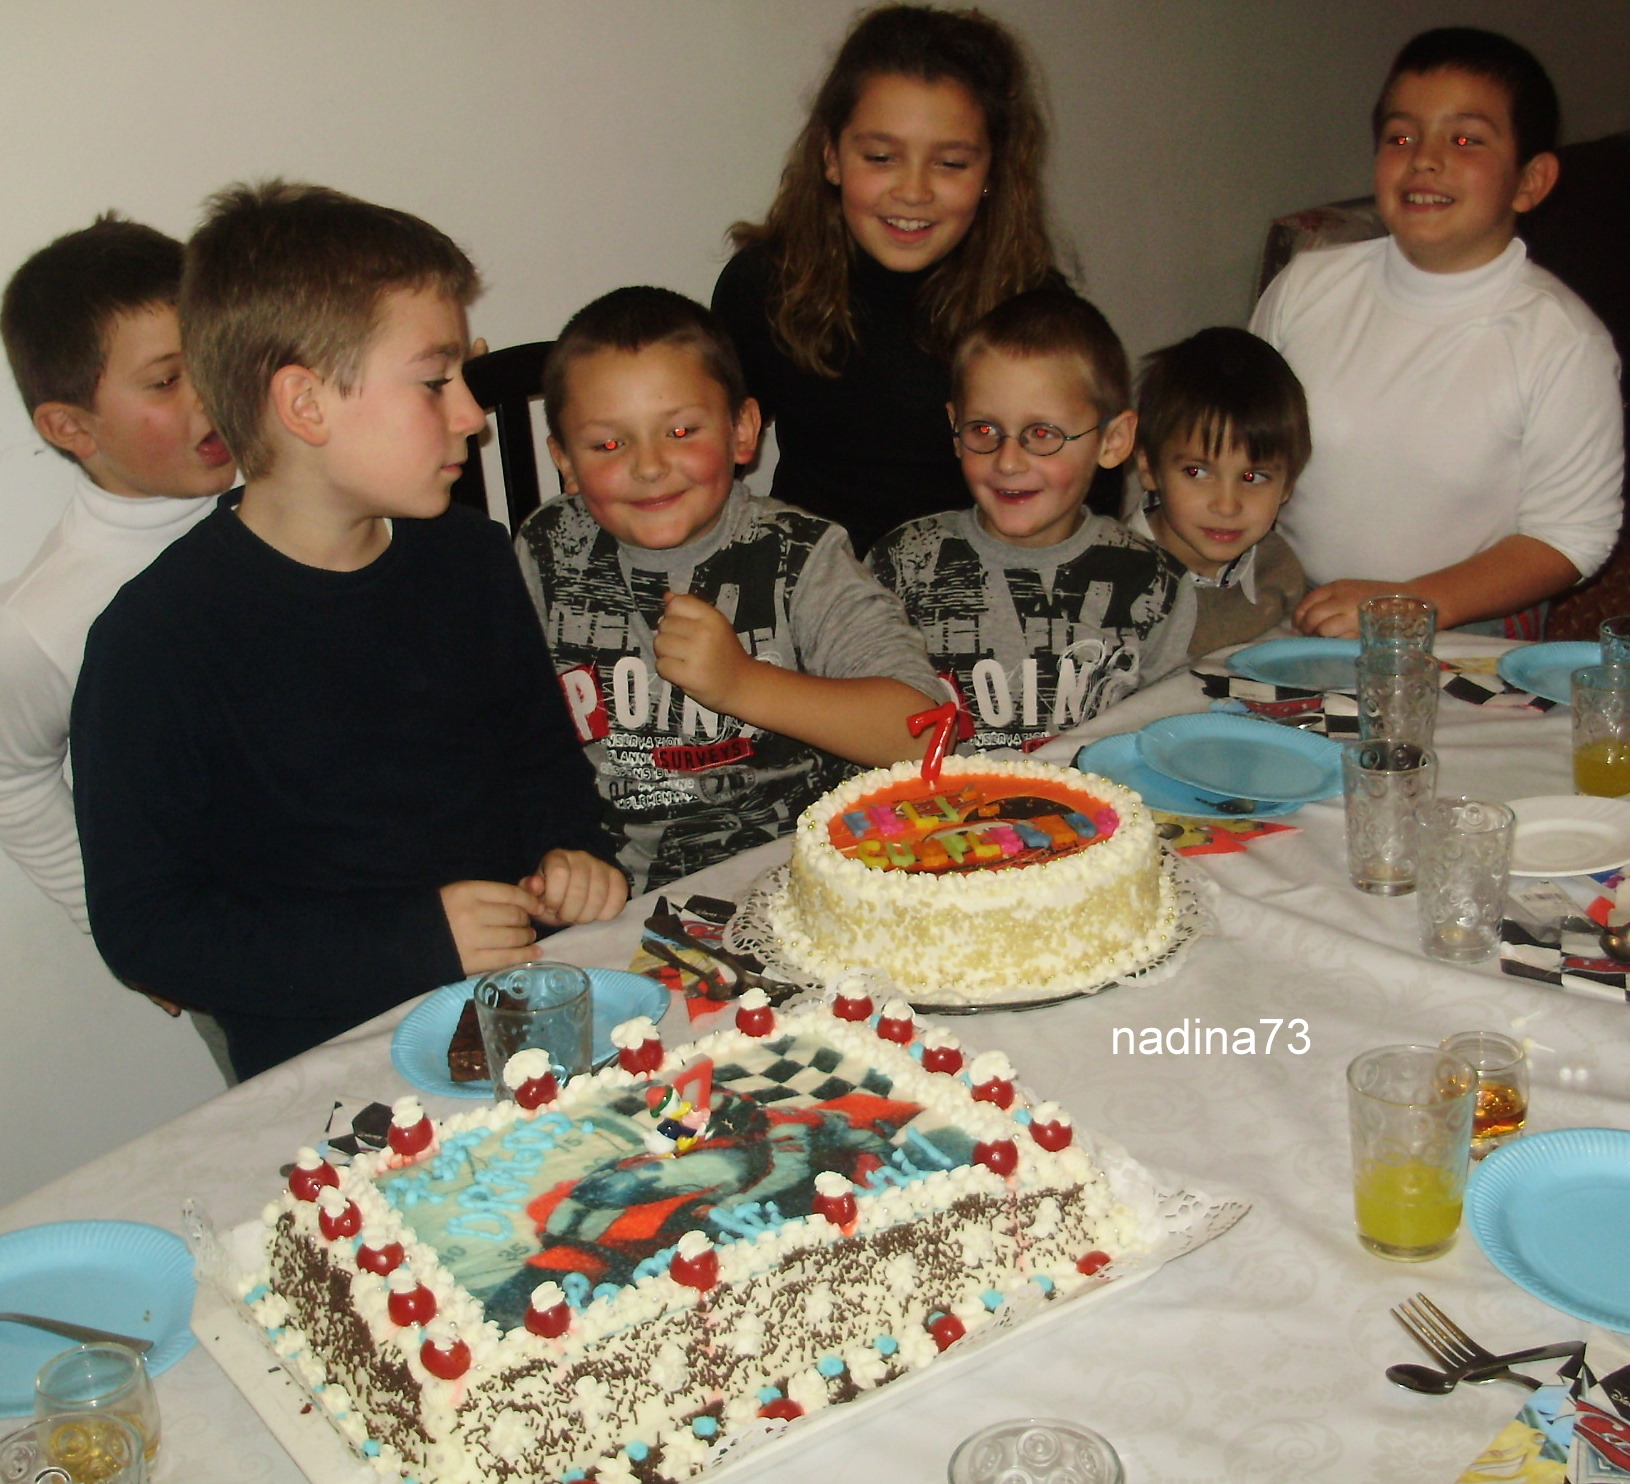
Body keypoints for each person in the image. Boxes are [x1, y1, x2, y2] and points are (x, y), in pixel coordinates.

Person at [70, 182, 625, 1080]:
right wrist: (413, 941)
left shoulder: (472, 558)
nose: (471, 414)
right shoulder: (156, 641)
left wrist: (575, 859)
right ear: (305, 405)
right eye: (435, 381)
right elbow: (148, 928)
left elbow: (543, 769)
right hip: (334, 1067)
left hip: (529, 1010)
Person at [515, 285, 940, 894]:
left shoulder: (801, 554)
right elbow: (505, 731)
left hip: (795, 878)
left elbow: (923, 733)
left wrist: (742, 683)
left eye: (681, 430)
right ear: (565, 460)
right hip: (613, 892)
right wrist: (557, 855)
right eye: (608, 444)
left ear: (743, 429)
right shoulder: (546, 546)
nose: (649, 466)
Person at [1251, 26, 1623, 639]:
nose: (1424, 158)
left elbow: (1572, 536)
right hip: (1290, 605)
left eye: (1465, 139)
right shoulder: (1306, 287)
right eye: (1401, 137)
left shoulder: (1562, 341)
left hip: (1462, 624)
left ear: (1530, 181)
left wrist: (1410, 604)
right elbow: (1242, 438)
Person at [712, 3, 1056, 555]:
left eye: (950, 163)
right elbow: (705, 459)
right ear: (830, 155)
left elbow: (1081, 498)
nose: (913, 191)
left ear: (992, 171)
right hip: (806, 579)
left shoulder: (1036, 311)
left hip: (974, 586)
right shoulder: (763, 286)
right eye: (880, 156)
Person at [0, 216, 234, 931]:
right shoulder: (44, 618)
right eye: (165, 380)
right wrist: (125, 923)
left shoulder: (304, 489)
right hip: (252, 945)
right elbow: (11, 778)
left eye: (212, 355)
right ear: (72, 427)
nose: (208, 394)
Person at [868, 289, 1192, 753]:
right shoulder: (902, 563)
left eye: (1042, 433)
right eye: (984, 429)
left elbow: (1168, 738)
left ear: (1113, 440)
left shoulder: (1153, 583)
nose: (1008, 461)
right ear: (955, 428)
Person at [1127, 327, 1311, 658]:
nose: (1227, 506)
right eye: (1196, 472)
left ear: (1287, 485)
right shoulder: (1102, 586)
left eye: (1253, 477)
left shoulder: (1278, 569)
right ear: (1149, 467)